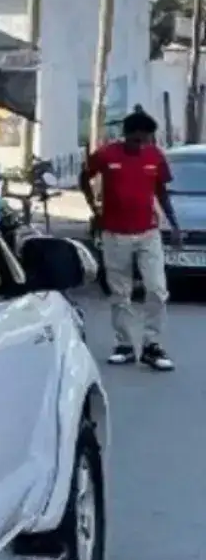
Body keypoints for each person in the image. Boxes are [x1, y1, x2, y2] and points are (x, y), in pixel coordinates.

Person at [79, 107, 181, 370]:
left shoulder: (155, 156)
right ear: (126, 135)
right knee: (120, 291)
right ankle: (124, 344)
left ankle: (151, 345)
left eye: (145, 140)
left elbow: (161, 191)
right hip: (114, 233)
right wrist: (95, 211)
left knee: (157, 289)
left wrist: (174, 224)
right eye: (136, 139)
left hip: (148, 232)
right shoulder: (106, 155)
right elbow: (84, 178)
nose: (140, 145)